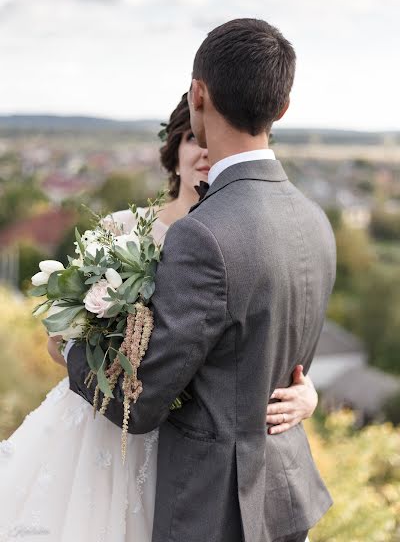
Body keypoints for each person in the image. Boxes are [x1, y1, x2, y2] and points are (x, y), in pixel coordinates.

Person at [66, 19, 336, 542]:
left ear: (198, 94)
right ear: (282, 109)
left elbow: (137, 401)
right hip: (284, 497)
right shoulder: (314, 220)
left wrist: (72, 347)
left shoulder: (203, 234)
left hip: (216, 510)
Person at [0, 102, 318, 540]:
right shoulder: (120, 229)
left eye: (206, 138)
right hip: (110, 431)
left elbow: (264, 338)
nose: (203, 150)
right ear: (175, 149)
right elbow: (59, 337)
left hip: (186, 456)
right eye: (191, 138)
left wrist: (307, 393)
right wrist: (87, 345)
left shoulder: (241, 238)